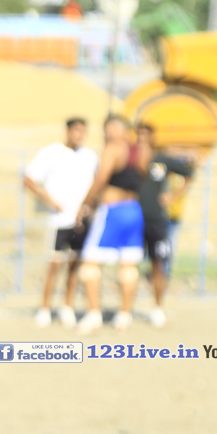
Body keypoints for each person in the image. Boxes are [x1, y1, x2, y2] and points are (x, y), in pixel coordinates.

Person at [74, 115, 150, 334]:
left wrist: (85, 204)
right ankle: (124, 316)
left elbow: (102, 178)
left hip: (112, 211)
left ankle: (93, 315)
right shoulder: (141, 150)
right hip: (134, 210)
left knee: (89, 265)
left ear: (115, 129)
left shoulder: (114, 148)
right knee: (128, 266)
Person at [23, 117, 97, 327]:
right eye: (76, 130)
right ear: (68, 131)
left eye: (83, 131)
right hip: (59, 220)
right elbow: (29, 179)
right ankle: (45, 309)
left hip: (81, 220)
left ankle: (68, 308)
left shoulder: (90, 156)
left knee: (75, 266)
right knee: (54, 265)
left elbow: (96, 184)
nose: (79, 135)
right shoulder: (52, 153)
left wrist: (89, 207)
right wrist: (50, 200)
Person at [135, 122, 194, 328]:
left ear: (153, 137)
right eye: (139, 134)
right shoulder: (130, 158)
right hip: (134, 219)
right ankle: (125, 310)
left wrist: (172, 196)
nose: (142, 138)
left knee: (158, 264)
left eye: (146, 134)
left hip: (156, 220)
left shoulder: (162, 160)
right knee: (129, 263)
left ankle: (157, 309)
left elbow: (189, 174)